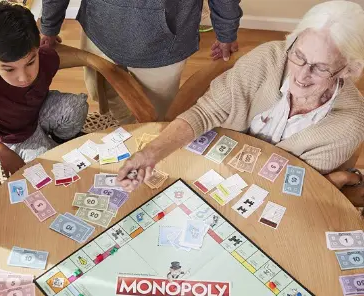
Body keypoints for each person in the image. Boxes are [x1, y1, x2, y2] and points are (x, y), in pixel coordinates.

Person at [117, 1, 364, 206]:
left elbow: (295, 185)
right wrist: (149, 154)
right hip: (217, 171)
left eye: (320, 68)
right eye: (298, 55)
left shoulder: (350, 124)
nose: (300, 76)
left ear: (348, 69)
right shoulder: (268, 58)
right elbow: (205, 113)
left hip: (271, 196)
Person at [40, 0, 242, 123]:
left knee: (157, 115)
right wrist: (49, 25)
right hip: (99, 29)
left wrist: (226, 31)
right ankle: (124, 127)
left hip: (164, 41)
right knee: (103, 93)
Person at [0, 2, 89, 175]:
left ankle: (59, 141)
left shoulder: (45, 56)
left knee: (77, 105)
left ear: (37, 49)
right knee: (48, 170)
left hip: (39, 111)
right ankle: (50, 147)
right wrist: (1, 151)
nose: (24, 77)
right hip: (14, 136)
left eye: (30, 62)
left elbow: (56, 53)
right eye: (9, 69)